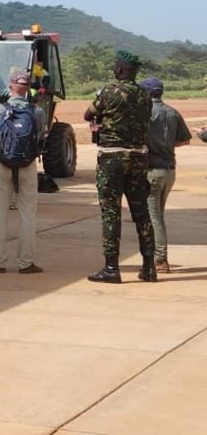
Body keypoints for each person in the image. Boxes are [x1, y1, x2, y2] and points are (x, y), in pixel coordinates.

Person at [84, 50, 155, 284]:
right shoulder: (145, 95)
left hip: (112, 158)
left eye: (116, 66)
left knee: (111, 213)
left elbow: (88, 114)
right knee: (142, 213)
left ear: (122, 69)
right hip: (138, 158)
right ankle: (149, 267)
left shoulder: (108, 91)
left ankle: (111, 267)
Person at [0, 71, 46, 274]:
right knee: (27, 214)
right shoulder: (37, 112)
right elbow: (40, 135)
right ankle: (26, 263)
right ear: (27, 88)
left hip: (2, 165)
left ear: (11, 86)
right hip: (27, 166)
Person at [141, 77, 191, 273]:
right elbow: (184, 140)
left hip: (153, 170)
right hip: (169, 170)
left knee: (154, 217)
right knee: (158, 214)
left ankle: (160, 259)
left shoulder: (145, 113)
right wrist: (167, 145)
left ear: (147, 93)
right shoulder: (172, 112)